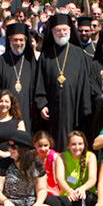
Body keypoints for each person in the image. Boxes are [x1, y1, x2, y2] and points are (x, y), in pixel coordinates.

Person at [0, 130, 65, 206]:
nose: (9, 149)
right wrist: (5, 202)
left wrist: (38, 203)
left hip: (29, 205)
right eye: (8, 145)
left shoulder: (36, 165)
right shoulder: (3, 164)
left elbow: (41, 189)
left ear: (22, 149)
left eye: (13, 146)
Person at [34, 13, 93, 149]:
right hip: (52, 108)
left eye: (64, 30)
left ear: (70, 31)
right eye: (58, 30)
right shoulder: (46, 55)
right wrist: (42, 104)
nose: (61, 33)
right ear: (52, 32)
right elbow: (39, 81)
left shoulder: (79, 53)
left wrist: (84, 107)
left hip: (74, 107)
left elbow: (85, 82)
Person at [0, 23, 36, 130]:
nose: (18, 43)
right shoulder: (0, 63)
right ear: (9, 41)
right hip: (5, 114)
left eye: (21, 40)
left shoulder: (31, 62)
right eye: (15, 40)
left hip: (27, 112)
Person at [49, 131, 97, 206]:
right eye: (73, 144)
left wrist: (82, 189)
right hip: (68, 197)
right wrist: (69, 191)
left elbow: (92, 179)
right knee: (48, 198)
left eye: (80, 144)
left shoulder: (90, 156)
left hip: (87, 197)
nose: (77, 147)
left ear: (84, 144)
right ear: (68, 145)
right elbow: (59, 178)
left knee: (79, 194)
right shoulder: (61, 157)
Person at [0, 89, 25, 157]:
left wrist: (12, 154)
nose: (4, 104)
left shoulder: (19, 122)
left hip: (14, 158)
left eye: (7, 101)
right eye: (1, 101)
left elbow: (22, 143)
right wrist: (3, 154)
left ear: (11, 104)